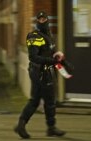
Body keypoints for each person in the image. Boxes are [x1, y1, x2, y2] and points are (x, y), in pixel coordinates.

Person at [14, 11, 66, 139]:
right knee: (42, 100)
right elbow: (34, 57)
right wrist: (52, 61)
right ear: (37, 21)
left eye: (44, 19)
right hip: (40, 71)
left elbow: (50, 52)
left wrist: (57, 56)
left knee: (42, 100)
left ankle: (28, 125)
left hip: (45, 71)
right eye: (40, 19)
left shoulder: (48, 35)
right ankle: (46, 127)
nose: (42, 21)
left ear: (47, 20)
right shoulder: (34, 36)